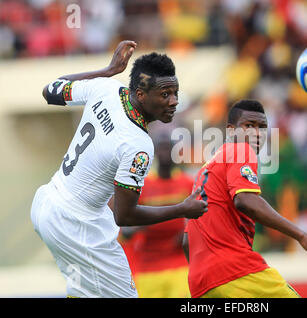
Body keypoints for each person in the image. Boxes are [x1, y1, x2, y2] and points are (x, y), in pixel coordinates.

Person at [30, 41, 207, 298]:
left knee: (85, 293)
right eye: (165, 94)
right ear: (141, 94)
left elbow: (50, 90)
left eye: (175, 93)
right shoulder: (138, 145)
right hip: (77, 224)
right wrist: (183, 208)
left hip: (47, 202)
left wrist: (108, 70)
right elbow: (124, 216)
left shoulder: (105, 87)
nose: (173, 101)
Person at [183, 99, 307, 298]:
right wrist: (302, 235)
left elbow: (186, 241)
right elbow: (246, 201)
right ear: (231, 131)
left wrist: (207, 276)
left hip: (202, 284)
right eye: (249, 126)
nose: (256, 133)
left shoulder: (205, 171)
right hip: (236, 272)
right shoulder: (241, 150)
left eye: (262, 127)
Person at [119, 136, 193, 298]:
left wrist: (189, 232)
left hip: (178, 262)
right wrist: (143, 224)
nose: (165, 153)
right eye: (162, 148)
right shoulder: (142, 185)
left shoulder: (187, 183)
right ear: (154, 153)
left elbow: (198, 218)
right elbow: (125, 227)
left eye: (169, 149)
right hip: (147, 265)